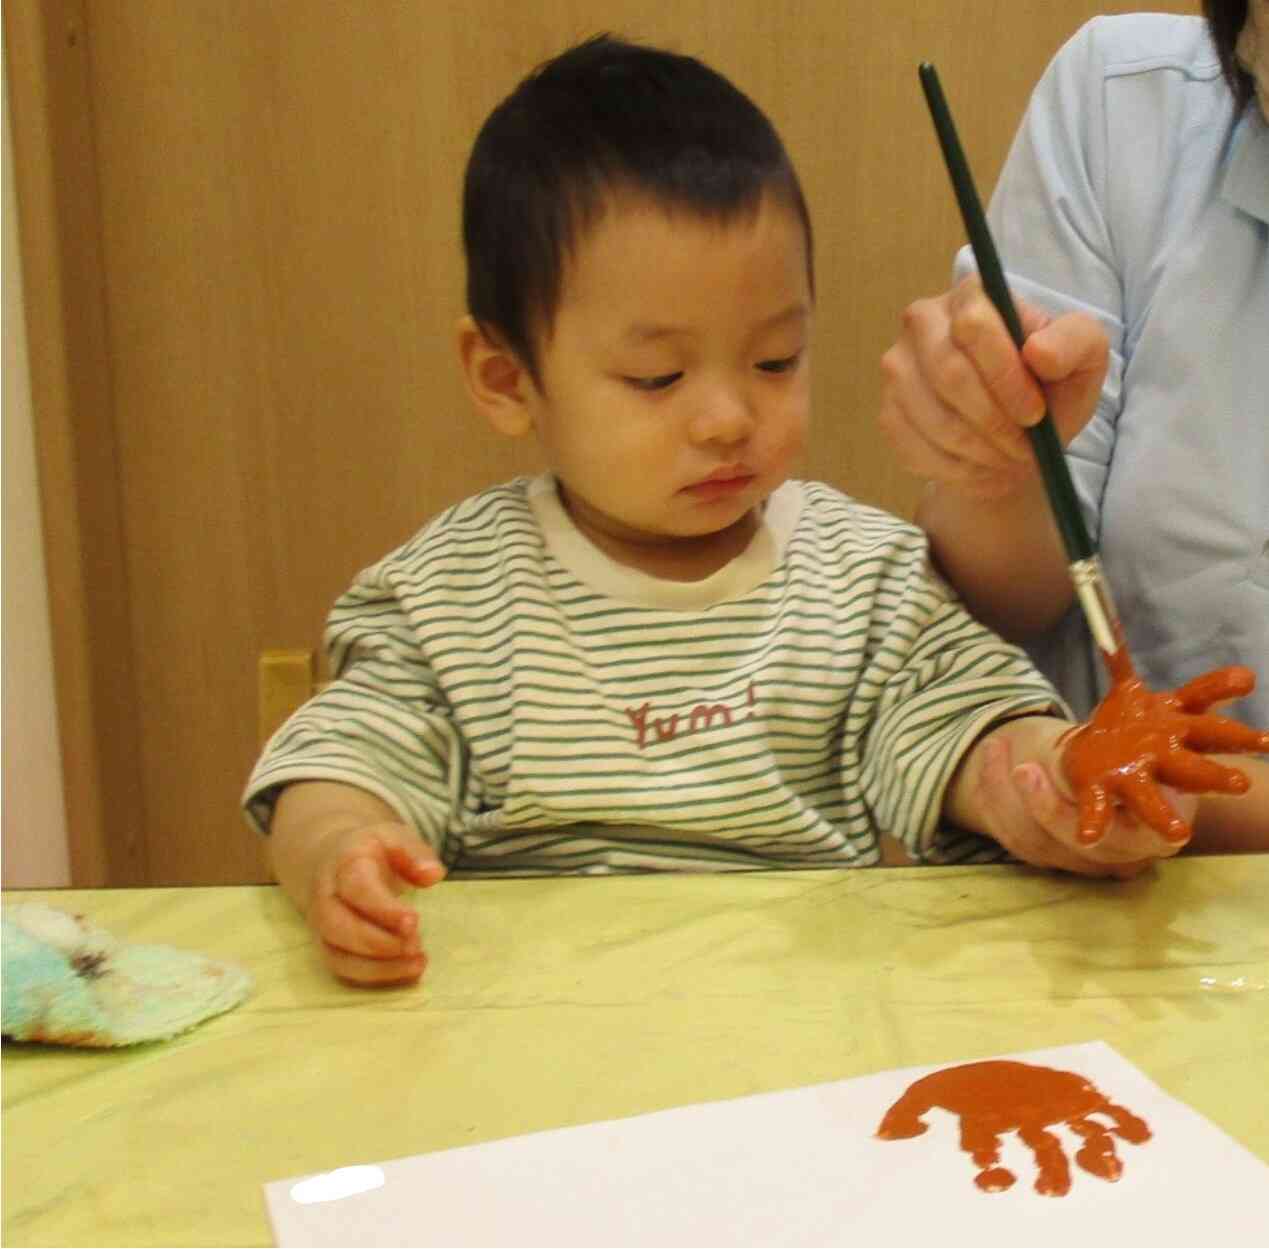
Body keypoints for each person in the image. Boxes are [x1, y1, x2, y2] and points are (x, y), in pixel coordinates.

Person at [243, 35, 1245, 988]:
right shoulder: (450, 595)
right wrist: (339, 847)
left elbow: (970, 726)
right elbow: (340, 760)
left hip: (798, 1036)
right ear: (506, 377)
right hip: (530, 1031)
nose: (728, 417)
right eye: (657, 375)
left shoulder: (860, 579)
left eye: (775, 361)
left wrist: (1058, 775)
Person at [879, 3, 1269, 845]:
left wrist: (1176, 789)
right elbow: (990, 616)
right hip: (1083, 907)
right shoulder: (1126, 106)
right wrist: (994, 462)